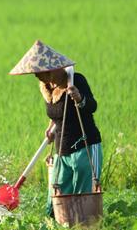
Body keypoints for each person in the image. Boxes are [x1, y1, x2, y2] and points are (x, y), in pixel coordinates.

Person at [9, 40, 102, 217]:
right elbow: (57, 113)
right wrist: (51, 125)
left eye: (39, 72)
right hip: (61, 149)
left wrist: (79, 98)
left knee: (83, 200)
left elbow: (92, 106)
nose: (37, 76)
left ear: (52, 69)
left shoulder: (76, 80)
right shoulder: (47, 87)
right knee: (56, 200)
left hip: (84, 148)